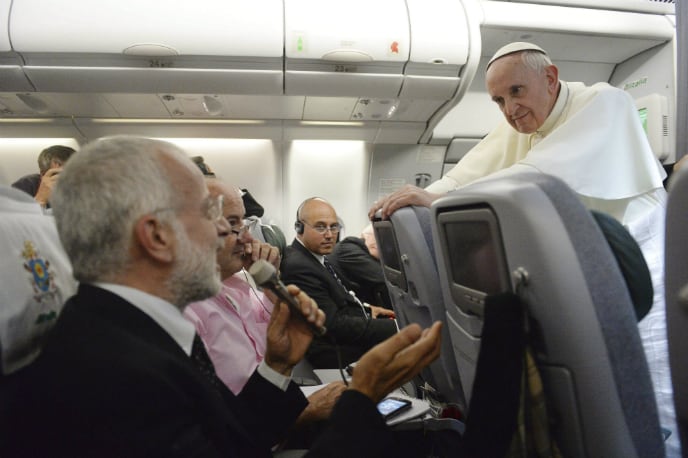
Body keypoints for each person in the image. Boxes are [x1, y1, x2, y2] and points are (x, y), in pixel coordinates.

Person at [0, 135, 443, 458]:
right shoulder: (113, 377)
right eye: (209, 214)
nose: (226, 234)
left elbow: (231, 440)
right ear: (156, 235)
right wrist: (361, 401)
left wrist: (277, 366)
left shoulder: (139, 331)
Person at [369, 41, 677, 456]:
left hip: (640, 254)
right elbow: (467, 174)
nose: (509, 109)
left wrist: (436, 202)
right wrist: (421, 197)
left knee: (651, 377)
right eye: (498, 100)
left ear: (549, 79)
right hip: (586, 261)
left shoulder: (606, 102)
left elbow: (534, 178)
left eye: (516, 92)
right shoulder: (522, 124)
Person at [184, 178, 346, 427]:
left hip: (275, 405)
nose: (248, 239)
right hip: (259, 432)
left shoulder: (237, 284)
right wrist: (302, 414)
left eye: (245, 224)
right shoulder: (185, 311)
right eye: (233, 224)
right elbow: (213, 427)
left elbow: (280, 331)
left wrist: (270, 279)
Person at [281, 197, 397, 369]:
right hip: (329, 352)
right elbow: (333, 325)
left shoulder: (315, 257)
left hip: (337, 339)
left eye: (333, 227)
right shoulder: (299, 266)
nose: (329, 235)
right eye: (320, 227)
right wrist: (396, 328)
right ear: (299, 228)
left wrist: (368, 310)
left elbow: (339, 302)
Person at [328, 224, 392, 310]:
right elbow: (382, 277)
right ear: (365, 236)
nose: (380, 245)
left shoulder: (356, 250)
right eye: (377, 238)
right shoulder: (347, 248)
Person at [11, 144, 75, 207]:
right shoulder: (25, 186)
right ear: (42, 174)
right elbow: (14, 216)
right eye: (57, 174)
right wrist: (41, 200)